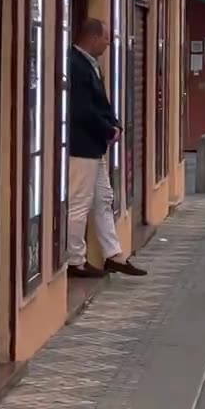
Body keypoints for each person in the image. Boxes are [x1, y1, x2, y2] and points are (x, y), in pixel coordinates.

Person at [66, 18, 145, 278]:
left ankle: (113, 255)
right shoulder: (75, 64)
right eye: (106, 38)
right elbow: (82, 108)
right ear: (92, 37)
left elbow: (101, 103)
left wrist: (114, 124)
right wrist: (107, 129)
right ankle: (74, 259)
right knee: (79, 201)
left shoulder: (91, 64)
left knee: (104, 198)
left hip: (95, 145)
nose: (108, 44)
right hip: (82, 146)